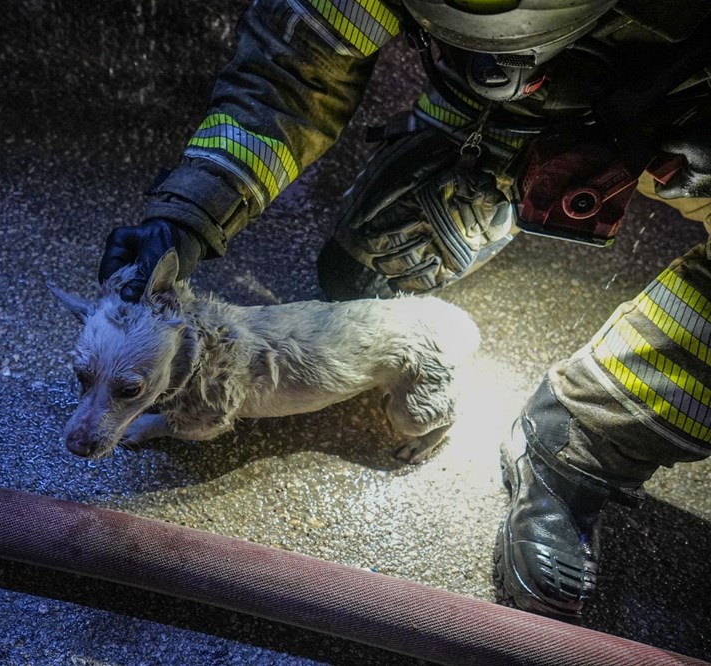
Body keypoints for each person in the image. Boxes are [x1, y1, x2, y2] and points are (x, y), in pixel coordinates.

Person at [97, 0, 711, 620]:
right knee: (366, 267)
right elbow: (285, 78)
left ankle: (585, 436)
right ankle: (493, 162)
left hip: (679, 112)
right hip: (498, 102)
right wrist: (191, 209)